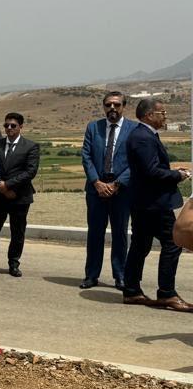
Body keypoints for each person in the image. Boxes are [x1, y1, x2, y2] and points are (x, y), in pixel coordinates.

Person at [121, 99, 192, 311]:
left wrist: (171, 171)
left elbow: (151, 168)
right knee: (173, 243)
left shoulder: (145, 135)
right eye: (162, 112)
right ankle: (166, 294)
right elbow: (151, 172)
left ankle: (132, 290)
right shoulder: (143, 137)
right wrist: (177, 175)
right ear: (149, 115)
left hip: (145, 202)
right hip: (154, 203)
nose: (166, 115)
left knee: (140, 245)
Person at [80, 91, 135, 290]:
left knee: (120, 233)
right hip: (96, 190)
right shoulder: (93, 127)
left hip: (121, 190)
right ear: (103, 107)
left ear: (123, 106)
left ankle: (120, 276)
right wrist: (96, 182)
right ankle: (91, 275)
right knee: (95, 233)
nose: (112, 108)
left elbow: (136, 161)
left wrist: (117, 184)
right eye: (108, 105)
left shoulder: (134, 129)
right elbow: (86, 156)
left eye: (116, 105)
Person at [0, 112, 40, 278]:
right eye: (6, 125)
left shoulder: (31, 146)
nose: (9, 128)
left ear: (21, 127)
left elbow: (30, 171)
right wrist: (0, 186)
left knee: (18, 233)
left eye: (13, 125)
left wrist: (8, 185)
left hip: (20, 196)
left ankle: (13, 264)